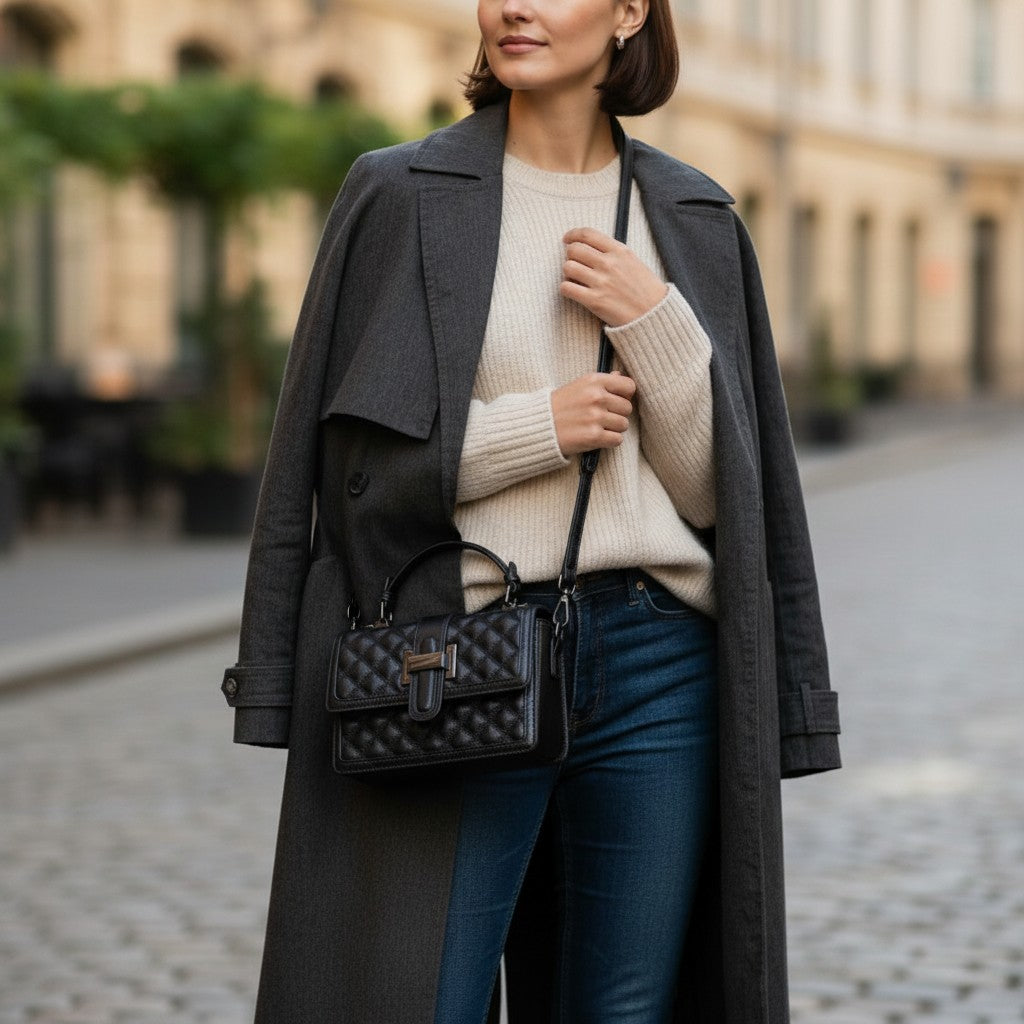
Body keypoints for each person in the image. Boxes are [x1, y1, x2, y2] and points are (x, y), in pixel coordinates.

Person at [220, 1, 842, 1022]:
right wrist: (533, 429)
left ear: (630, 11)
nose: (515, 4)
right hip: (454, 656)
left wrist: (655, 324)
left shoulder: (691, 215)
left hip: (658, 666)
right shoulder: (398, 192)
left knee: (623, 1008)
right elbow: (338, 470)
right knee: (424, 996)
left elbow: (721, 498)